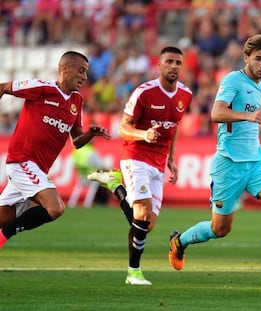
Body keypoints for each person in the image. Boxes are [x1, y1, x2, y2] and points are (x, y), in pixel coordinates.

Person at [168, 34, 261, 287]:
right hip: (228, 164)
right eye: (258, 59)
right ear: (246, 58)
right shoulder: (233, 80)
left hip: (255, 162)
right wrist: (247, 117)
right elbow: (216, 113)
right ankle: (179, 241)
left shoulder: (260, 86)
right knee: (220, 229)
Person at [87, 46, 192, 285]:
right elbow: (123, 128)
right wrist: (144, 135)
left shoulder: (185, 95)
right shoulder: (143, 92)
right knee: (142, 213)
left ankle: (115, 186)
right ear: (159, 64)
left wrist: (171, 159)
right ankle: (133, 272)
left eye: (178, 63)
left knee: (146, 225)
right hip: (136, 156)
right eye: (169, 62)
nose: (174, 66)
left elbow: (173, 127)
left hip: (158, 161)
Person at [0, 51, 110, 246]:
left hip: (38, 169)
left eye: (86, 72)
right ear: (64, 69)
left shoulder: (77, 101)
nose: (85, 77)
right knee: (55, 208)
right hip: (22, 161)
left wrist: (91, 133)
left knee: (5, 217)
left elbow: (76, 141)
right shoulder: (41, 88)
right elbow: (3, 88)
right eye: (81, 71)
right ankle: (3, 237)